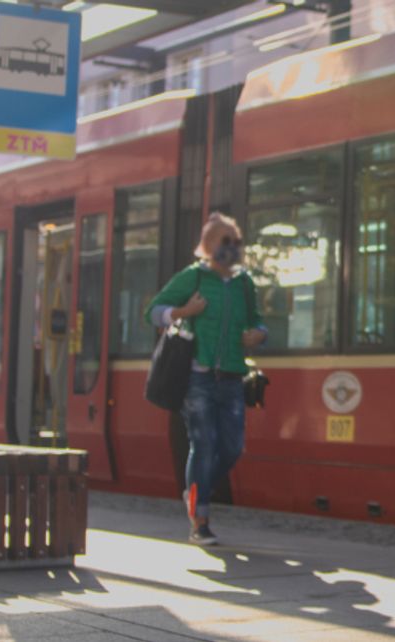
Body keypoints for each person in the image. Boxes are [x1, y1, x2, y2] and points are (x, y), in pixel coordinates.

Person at [145, 213, 266, 545]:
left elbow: (258, 320)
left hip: (231, 378)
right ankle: (200, 521)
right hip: (197, 378)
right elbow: (153, 311)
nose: (234, 248)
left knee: (232, 447)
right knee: (204, 443)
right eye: (226, 242)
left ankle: (195, 491)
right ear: (210, 247)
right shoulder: (193, 278)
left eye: (237, 242)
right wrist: (184, 312)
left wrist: (258, 334)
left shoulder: (244, 284)